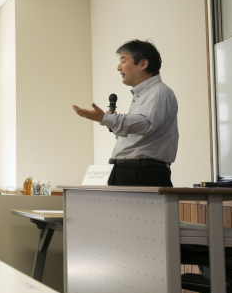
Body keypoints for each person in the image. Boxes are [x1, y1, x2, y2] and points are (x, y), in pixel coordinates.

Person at [72, 39, 178, 187]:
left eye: (123, 61)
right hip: (128, 171)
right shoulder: (142, 94)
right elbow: (137, 137)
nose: (118, 67)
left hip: (142, 173)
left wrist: (105, 118)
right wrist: (112, 123)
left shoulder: (159, 92)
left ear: (143, 64)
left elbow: (145, 124)